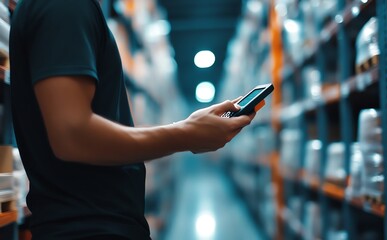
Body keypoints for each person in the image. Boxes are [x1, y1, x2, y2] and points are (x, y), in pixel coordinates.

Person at [9, 0, 255, 239]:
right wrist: (186, 134)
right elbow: (72, 135)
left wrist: (187, 131)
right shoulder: (65, 6)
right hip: (89, 229)